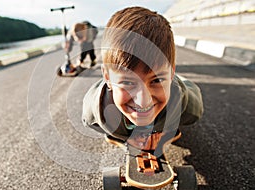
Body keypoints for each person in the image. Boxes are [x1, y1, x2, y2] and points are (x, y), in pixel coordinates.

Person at [82, 7, 203, 155]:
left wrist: (163, 131)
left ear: (171, 73)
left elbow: (191, 97)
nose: (143, 100)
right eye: (127, 82)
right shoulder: (94, 115)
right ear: (106, 77)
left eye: (156, 80)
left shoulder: (189, 106)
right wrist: (124, 137)